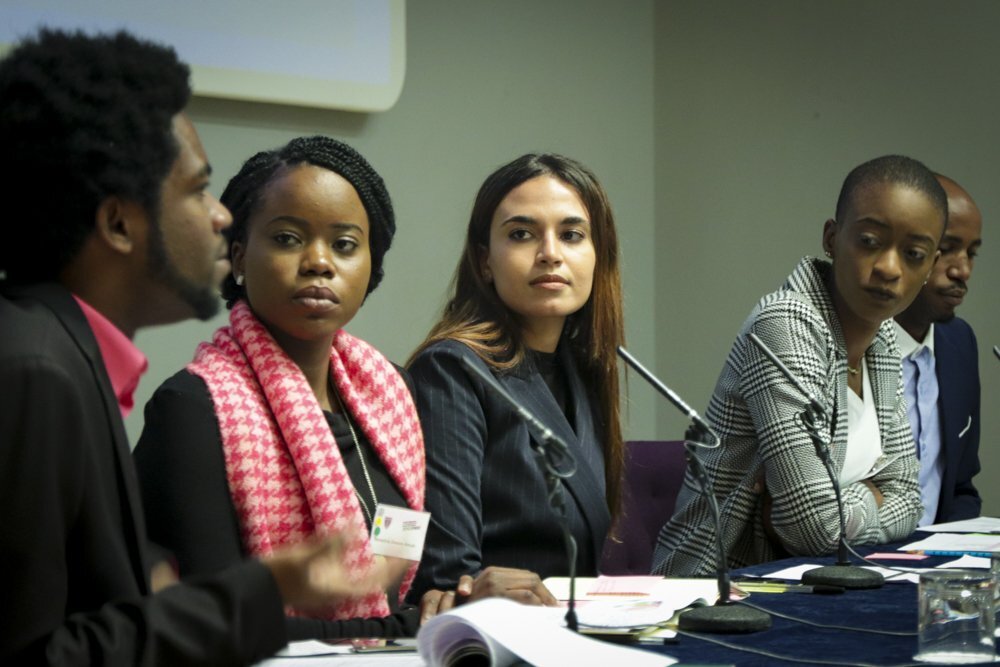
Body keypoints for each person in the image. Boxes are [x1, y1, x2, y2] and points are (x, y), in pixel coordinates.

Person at [0, 30, 369, 666]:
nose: (221, 217)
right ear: (119, 223)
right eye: (198, 191)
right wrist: (262, 593)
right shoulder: (33, 371)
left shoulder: (61, 351)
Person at [134, 136, 426, 639]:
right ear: (240, 258)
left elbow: (416, 569)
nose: (318, 261)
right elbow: (221, 622)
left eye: (345, 244)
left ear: (370, 269)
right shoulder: (193, 408)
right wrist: (407, 626)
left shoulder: (390, 394)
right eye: (289, 238)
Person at [653, 155, 944, 575]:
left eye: (914, 253)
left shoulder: (880, 339)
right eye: (869, 241)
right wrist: (872, 498)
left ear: (930, 266)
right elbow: (811, 528)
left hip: (812, 584)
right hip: (713, 590)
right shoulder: (785, 323)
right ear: (831, 237)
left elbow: (909, 500)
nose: (889, 268)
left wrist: (849, 506)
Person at [407, 153, 626, 600]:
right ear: (485, 261)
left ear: (598, 256)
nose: (550, 254)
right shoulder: (452, 369)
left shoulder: (582, 368)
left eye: (571, 235)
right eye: (522, 234)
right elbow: (450, 577)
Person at [893, 173, 983, 525]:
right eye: (946, 249)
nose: (963, 270)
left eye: (972, 253)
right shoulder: (846, 345)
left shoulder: (959, 343)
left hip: (931, 572)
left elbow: (961, 488)